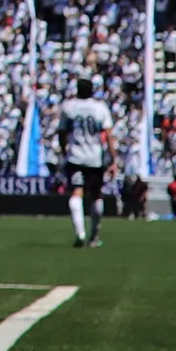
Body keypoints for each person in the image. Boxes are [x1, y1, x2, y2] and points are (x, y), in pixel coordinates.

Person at [58, 77, 113, 248]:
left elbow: (62, 132)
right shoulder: (100, 108)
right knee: (96, 195)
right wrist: (113, 159)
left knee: (76, 192)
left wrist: (64, 150)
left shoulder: (69, 107)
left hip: (75, 156)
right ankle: (94, 236)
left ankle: (80, 233)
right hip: (94, 157)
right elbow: (109, 136)